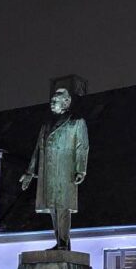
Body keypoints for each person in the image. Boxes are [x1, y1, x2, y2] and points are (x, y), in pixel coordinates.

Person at [20, 78, 89, 250]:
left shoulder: (76, 122)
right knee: (52, 207)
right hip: (48, 172)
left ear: (67, 102)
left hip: (66, 171)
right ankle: (59, 241)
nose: (52, 101)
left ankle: (64, 244)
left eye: (56, 99)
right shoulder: (46, 125)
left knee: (63, 207)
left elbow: (82, 147)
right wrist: (30, 172)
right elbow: (38, 149)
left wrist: (81, 169)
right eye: (52, 99)